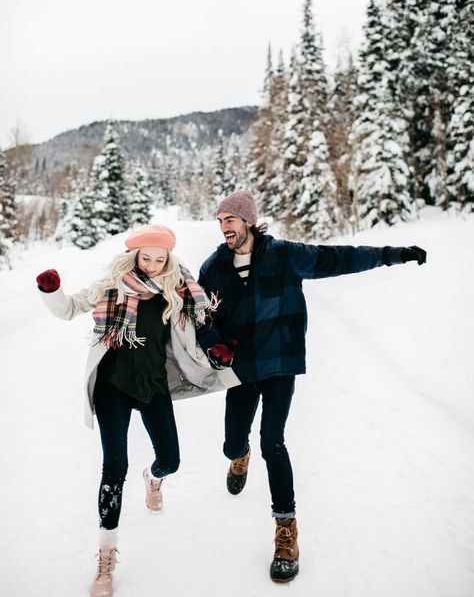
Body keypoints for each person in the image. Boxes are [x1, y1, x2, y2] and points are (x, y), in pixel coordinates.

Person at [197, 189, 427, 583]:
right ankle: (239, 455)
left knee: (273, 440)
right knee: (232, 442)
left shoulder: (284, 255)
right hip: (240, 369)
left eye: (229, 220)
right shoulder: (214, 267)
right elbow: (201, 316)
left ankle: (286, 530)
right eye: (219, 221)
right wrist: (211, 342)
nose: (224, 228)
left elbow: (341, 258)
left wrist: (394, 253)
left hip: (280, 362)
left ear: (248, 220)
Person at [36, 223, 239, 597]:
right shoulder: (111, 285)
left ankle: (154, 476)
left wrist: (215, 349)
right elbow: (68, 309)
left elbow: (203, 323)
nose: (152, 264)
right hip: (113, 387)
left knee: (171, 460)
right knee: (114, 467)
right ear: (134, 255)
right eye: (146, 257)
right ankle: (105, 560)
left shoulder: (177, 290)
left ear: (169, 259)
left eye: (160, 259)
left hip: (152, 386)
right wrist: (52, 289)